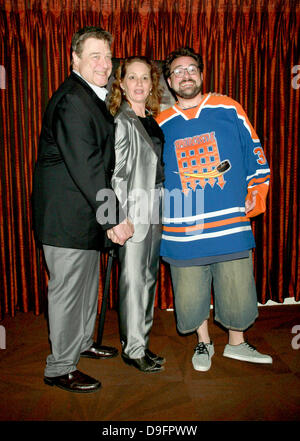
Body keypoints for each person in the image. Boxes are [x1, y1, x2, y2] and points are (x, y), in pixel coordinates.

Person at [156, 47, 273, 372]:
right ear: (169, 80)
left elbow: (256, 155)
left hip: (230, 225)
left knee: (237, 289)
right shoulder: (160, 124)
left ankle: (237, 344)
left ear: (202, 74)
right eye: (178, 71)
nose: (186, 75)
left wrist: (256, 194)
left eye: (191, 68)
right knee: (191, 294)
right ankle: (203, 342)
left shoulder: (228, 107)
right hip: (184, 230)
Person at [32, 26, 133, 393]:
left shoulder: (89, 96)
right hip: (66, 219)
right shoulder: (73, 99)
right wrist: (115, 216)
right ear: (74, 59)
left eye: (108, 56)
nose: (105, 64)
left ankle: (80, 344)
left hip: (82, 216)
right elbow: (88, 164)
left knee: (86, 289)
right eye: (95, 56)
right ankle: (59, 367)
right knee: (69, 293)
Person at [109, 56, 165, 373]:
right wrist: (119, 216)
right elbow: (117, 174)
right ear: (121, 83)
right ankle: (132, 349)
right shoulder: (122, 121)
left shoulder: (150, 119)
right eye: (133, 77)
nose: (140, 84)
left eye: (145, 78)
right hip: (132, 211)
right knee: (133, 281)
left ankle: (140, 341)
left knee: (148, 278)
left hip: (156, 204)